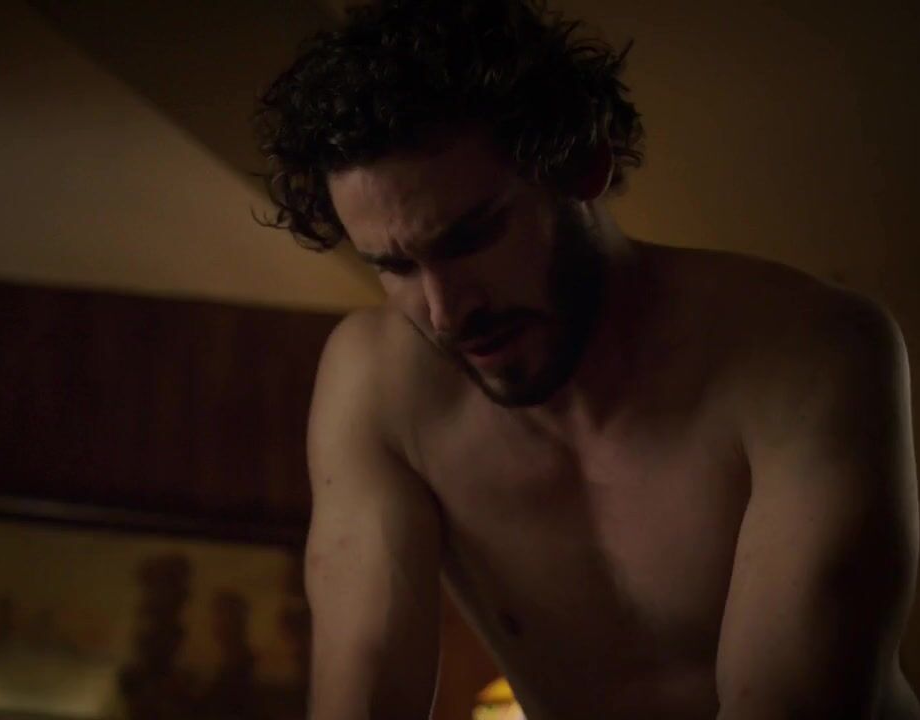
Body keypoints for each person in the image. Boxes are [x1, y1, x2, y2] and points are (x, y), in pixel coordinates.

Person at [252, 1, 920, 718]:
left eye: (471, 238)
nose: (446, 313)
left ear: (582, 165)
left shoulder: (807, 351)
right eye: (395, 266)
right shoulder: (377, 383)